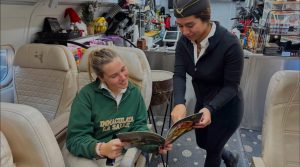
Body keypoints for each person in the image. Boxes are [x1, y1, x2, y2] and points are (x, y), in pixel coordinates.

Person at [63, 48, 172, 167]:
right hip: (92, 154)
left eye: (123, 69)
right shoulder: (86, 96)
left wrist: (155, 145)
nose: (123, 77)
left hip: (121, 155)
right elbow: (75, 139)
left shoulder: (134, 93)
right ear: (101, 77)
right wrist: (101, 148)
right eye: (114, 75)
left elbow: (140, 128)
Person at [171, 0, 244, 167]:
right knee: (202, 143)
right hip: (202, 102)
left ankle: (226, 157)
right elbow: (179, 75)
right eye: (180, 26)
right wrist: (179, 103)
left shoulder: (230, 44)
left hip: (227, 107)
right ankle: (230, 157)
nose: (184, 32)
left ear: (206, 18)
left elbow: (231, 86)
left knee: (212, 150)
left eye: (189, 25)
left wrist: (210, 108)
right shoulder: (184, 43)